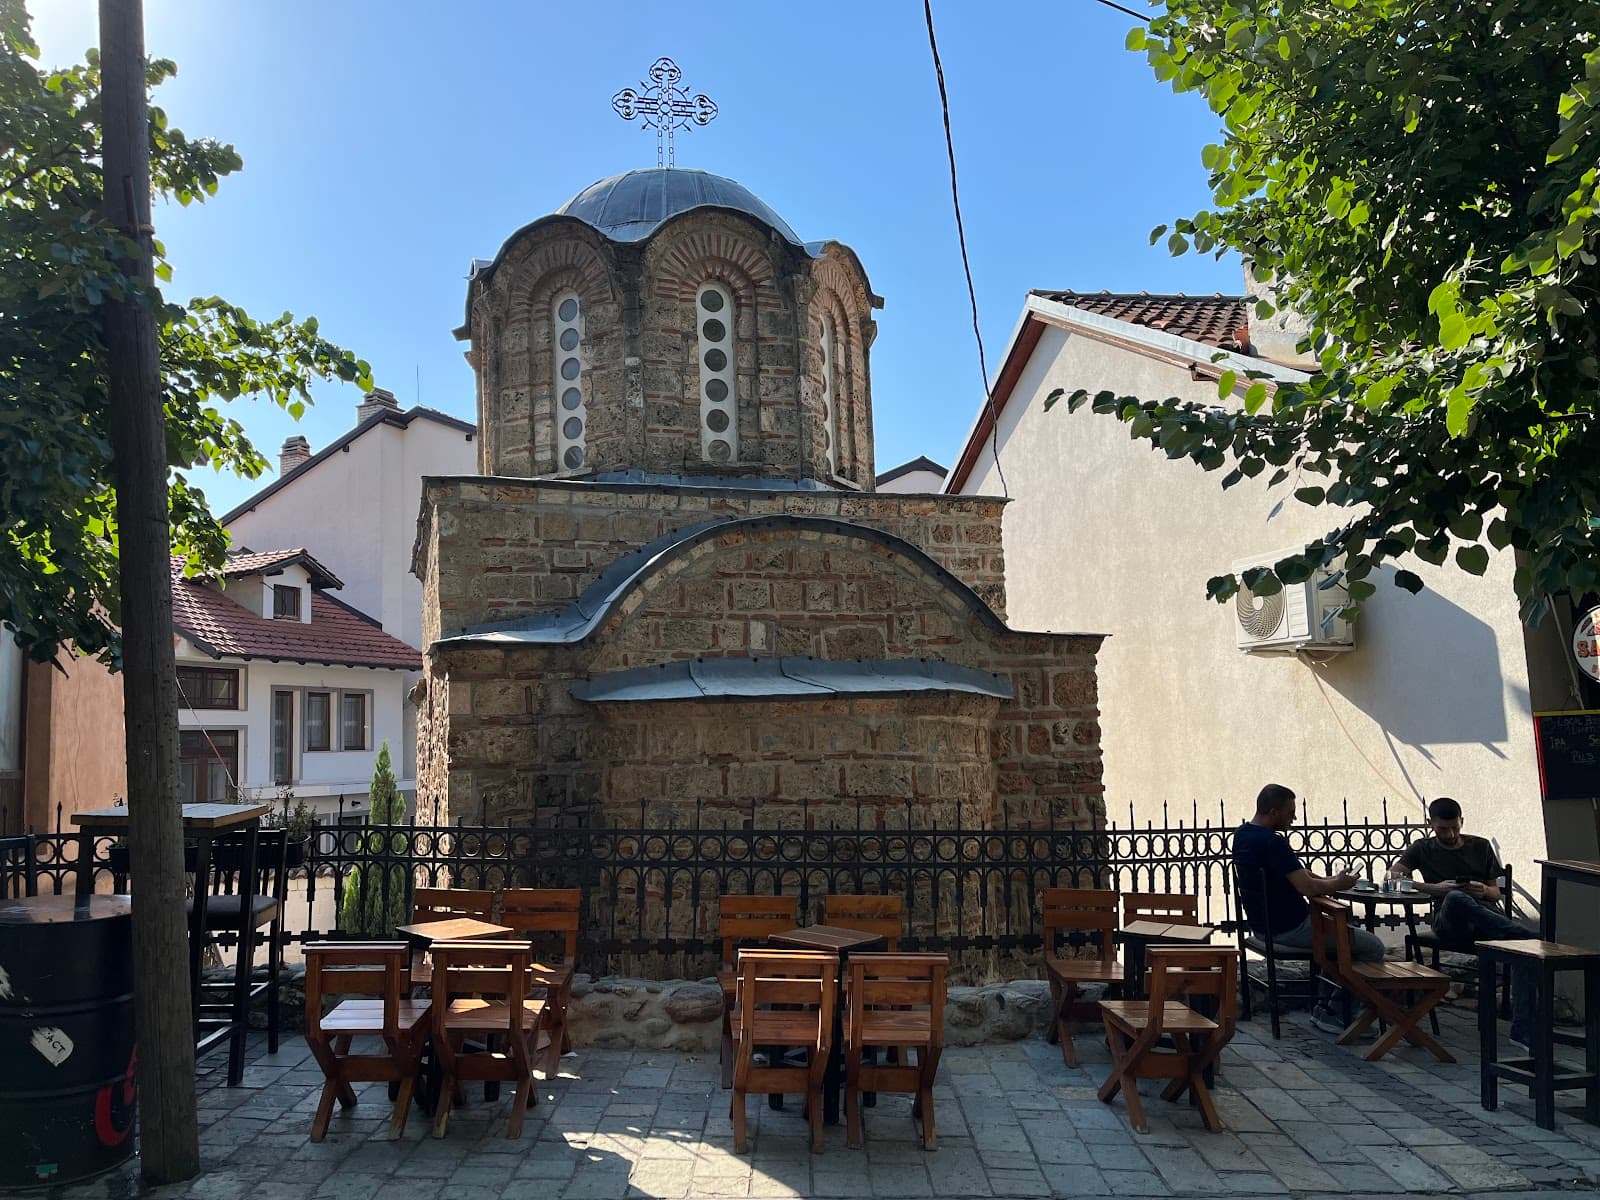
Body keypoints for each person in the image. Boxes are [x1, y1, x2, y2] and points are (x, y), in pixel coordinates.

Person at [1233, 783, 1384, 1034]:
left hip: (1263, 926)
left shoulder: (1244, 835)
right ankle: (1335, 1014)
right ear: (1273, 812)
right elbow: (1307, 887)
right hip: (1291, 928)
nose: (1294, 818)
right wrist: (1339, 883)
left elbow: (1299, 874)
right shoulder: (1273, 843)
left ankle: (1325, 1009)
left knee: (1342, 939)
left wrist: (1331, 881)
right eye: (1290, 812)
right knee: (1372, 947)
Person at [1387, 796, 1534, 1045]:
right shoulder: (1423, 848)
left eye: (1455, 827)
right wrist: (1435, 889)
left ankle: (1522, 1031)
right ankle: (1523, 934)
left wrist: (1482, 890)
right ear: (1430, 824)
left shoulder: (1480, 846)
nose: (1451, 834)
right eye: (1443, 828)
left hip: (1484, 918)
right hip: (1450, 922)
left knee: (1526, 954)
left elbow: (1495, 892)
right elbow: (1393, 878)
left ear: (1462, 821)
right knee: (1455, 896)